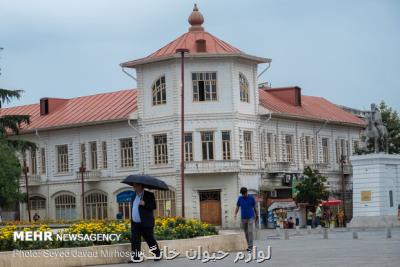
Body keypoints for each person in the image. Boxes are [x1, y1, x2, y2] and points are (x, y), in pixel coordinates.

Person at [130, 183, 161, 262]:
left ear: (140, 186)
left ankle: (157, 254)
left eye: (135, 185)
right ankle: (136, 258)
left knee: (149, 239)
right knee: (135, 240)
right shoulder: (134, 196)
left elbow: (153, 206)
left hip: (146, 223)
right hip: (135, 223)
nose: (133, 187)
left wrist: (145, 204)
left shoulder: (148, 195)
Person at [234, 187, 258, 252]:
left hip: (250, 217)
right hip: (243, 218)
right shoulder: (240, 198)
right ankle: (248, 245)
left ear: (247, 192)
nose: (243, 195)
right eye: (242, 194)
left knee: (250, 231)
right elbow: (237, 206)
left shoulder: (251, 198)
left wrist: (257, 215)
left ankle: (250, 246)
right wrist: (235, 214)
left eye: (244, 194)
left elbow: (255, 207)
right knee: (246, 232)